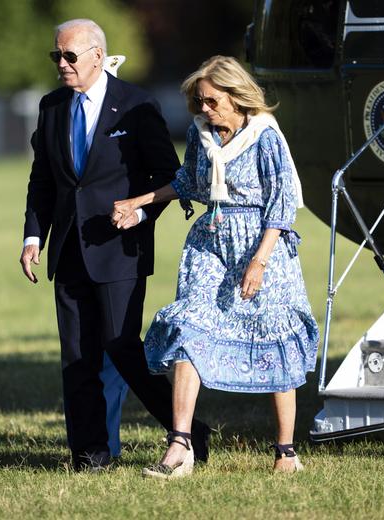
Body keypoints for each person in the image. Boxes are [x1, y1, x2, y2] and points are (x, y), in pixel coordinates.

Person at [111, 56, 319, 478]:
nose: (203, 109)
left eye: (210, 101)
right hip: (210, 244)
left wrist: (259, 261)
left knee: (273, 336)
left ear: (236, 96)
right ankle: (180, 445)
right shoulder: (200, 133)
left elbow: (280, 205)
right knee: (189, 328)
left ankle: (286, 453)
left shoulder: (264, 138)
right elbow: (188, 181)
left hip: (262, 244)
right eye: (197, 102)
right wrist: (140, 201)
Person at [19, 18, 209, 471]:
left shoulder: (136, 106)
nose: (62, 64)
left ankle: (187, 432)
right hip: (67, 251)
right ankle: (90, 454)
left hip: (120, 251)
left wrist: (141, 213)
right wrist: (32, 236)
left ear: (98, 56)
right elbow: (42, 180)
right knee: (78, 356)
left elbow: (170, 177)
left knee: (122, 347)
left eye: (70, 56)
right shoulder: (50, 108)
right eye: (56, 56)